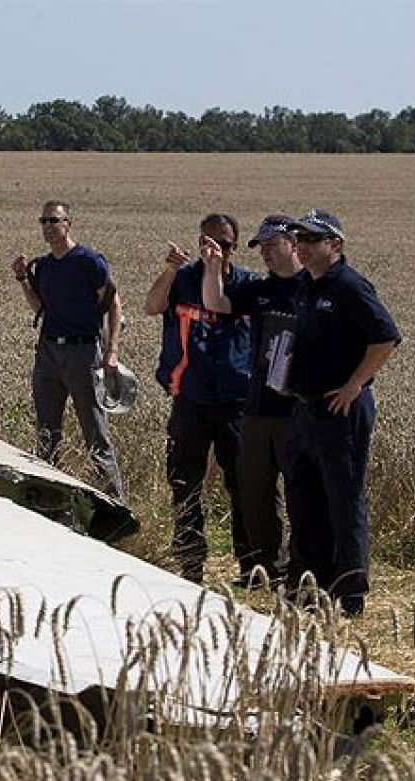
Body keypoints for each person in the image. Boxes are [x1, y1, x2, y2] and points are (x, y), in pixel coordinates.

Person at [280, 210, 400, 617]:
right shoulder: (305, 287)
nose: (304, 245)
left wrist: (355, 384)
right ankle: (313, 585)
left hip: (340, 411)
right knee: (304, 498)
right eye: (300, 238)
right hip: (304, 409)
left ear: (336, 245)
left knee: (344, 498)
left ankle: (350, 593)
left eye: (313, 239)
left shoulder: (349, 286)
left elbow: (385, 337)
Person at [144, 214, 255, 583]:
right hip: (190, 398)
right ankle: (191, 563)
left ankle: (251, 564)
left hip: (235, 400)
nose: (214, 249)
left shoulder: (246, 285)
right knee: (184, 484)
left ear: (233, 248)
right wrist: (170, 269)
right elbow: (152, 305)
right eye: (208, 241)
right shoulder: (183, 280)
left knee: (243, 484)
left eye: (222, 244)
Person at [199, 215, 307, 586]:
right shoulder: (260, 291)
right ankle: (266, 570)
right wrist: (213, 266)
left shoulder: (312, 290)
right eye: (261, 247)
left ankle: (301, 570)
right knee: (254, 492)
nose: (265, 254)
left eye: (272, 246)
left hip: (299, 412)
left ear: (294, 245)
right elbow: (215, 302)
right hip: (258, 406)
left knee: (300, 493)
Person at [11, 200, 126, 501]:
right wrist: (24, 280)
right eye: (44, 222)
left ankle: (114, 503)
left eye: (54, 220)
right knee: (46, 434)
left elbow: (114, 304)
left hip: (84, 352)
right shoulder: (43, 266)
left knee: (95, 433)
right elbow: (40, 309)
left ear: (68, 224)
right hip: (49, 352)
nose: (49, 227)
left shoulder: (90, 262)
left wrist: (111, 352)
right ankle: (49, 501)